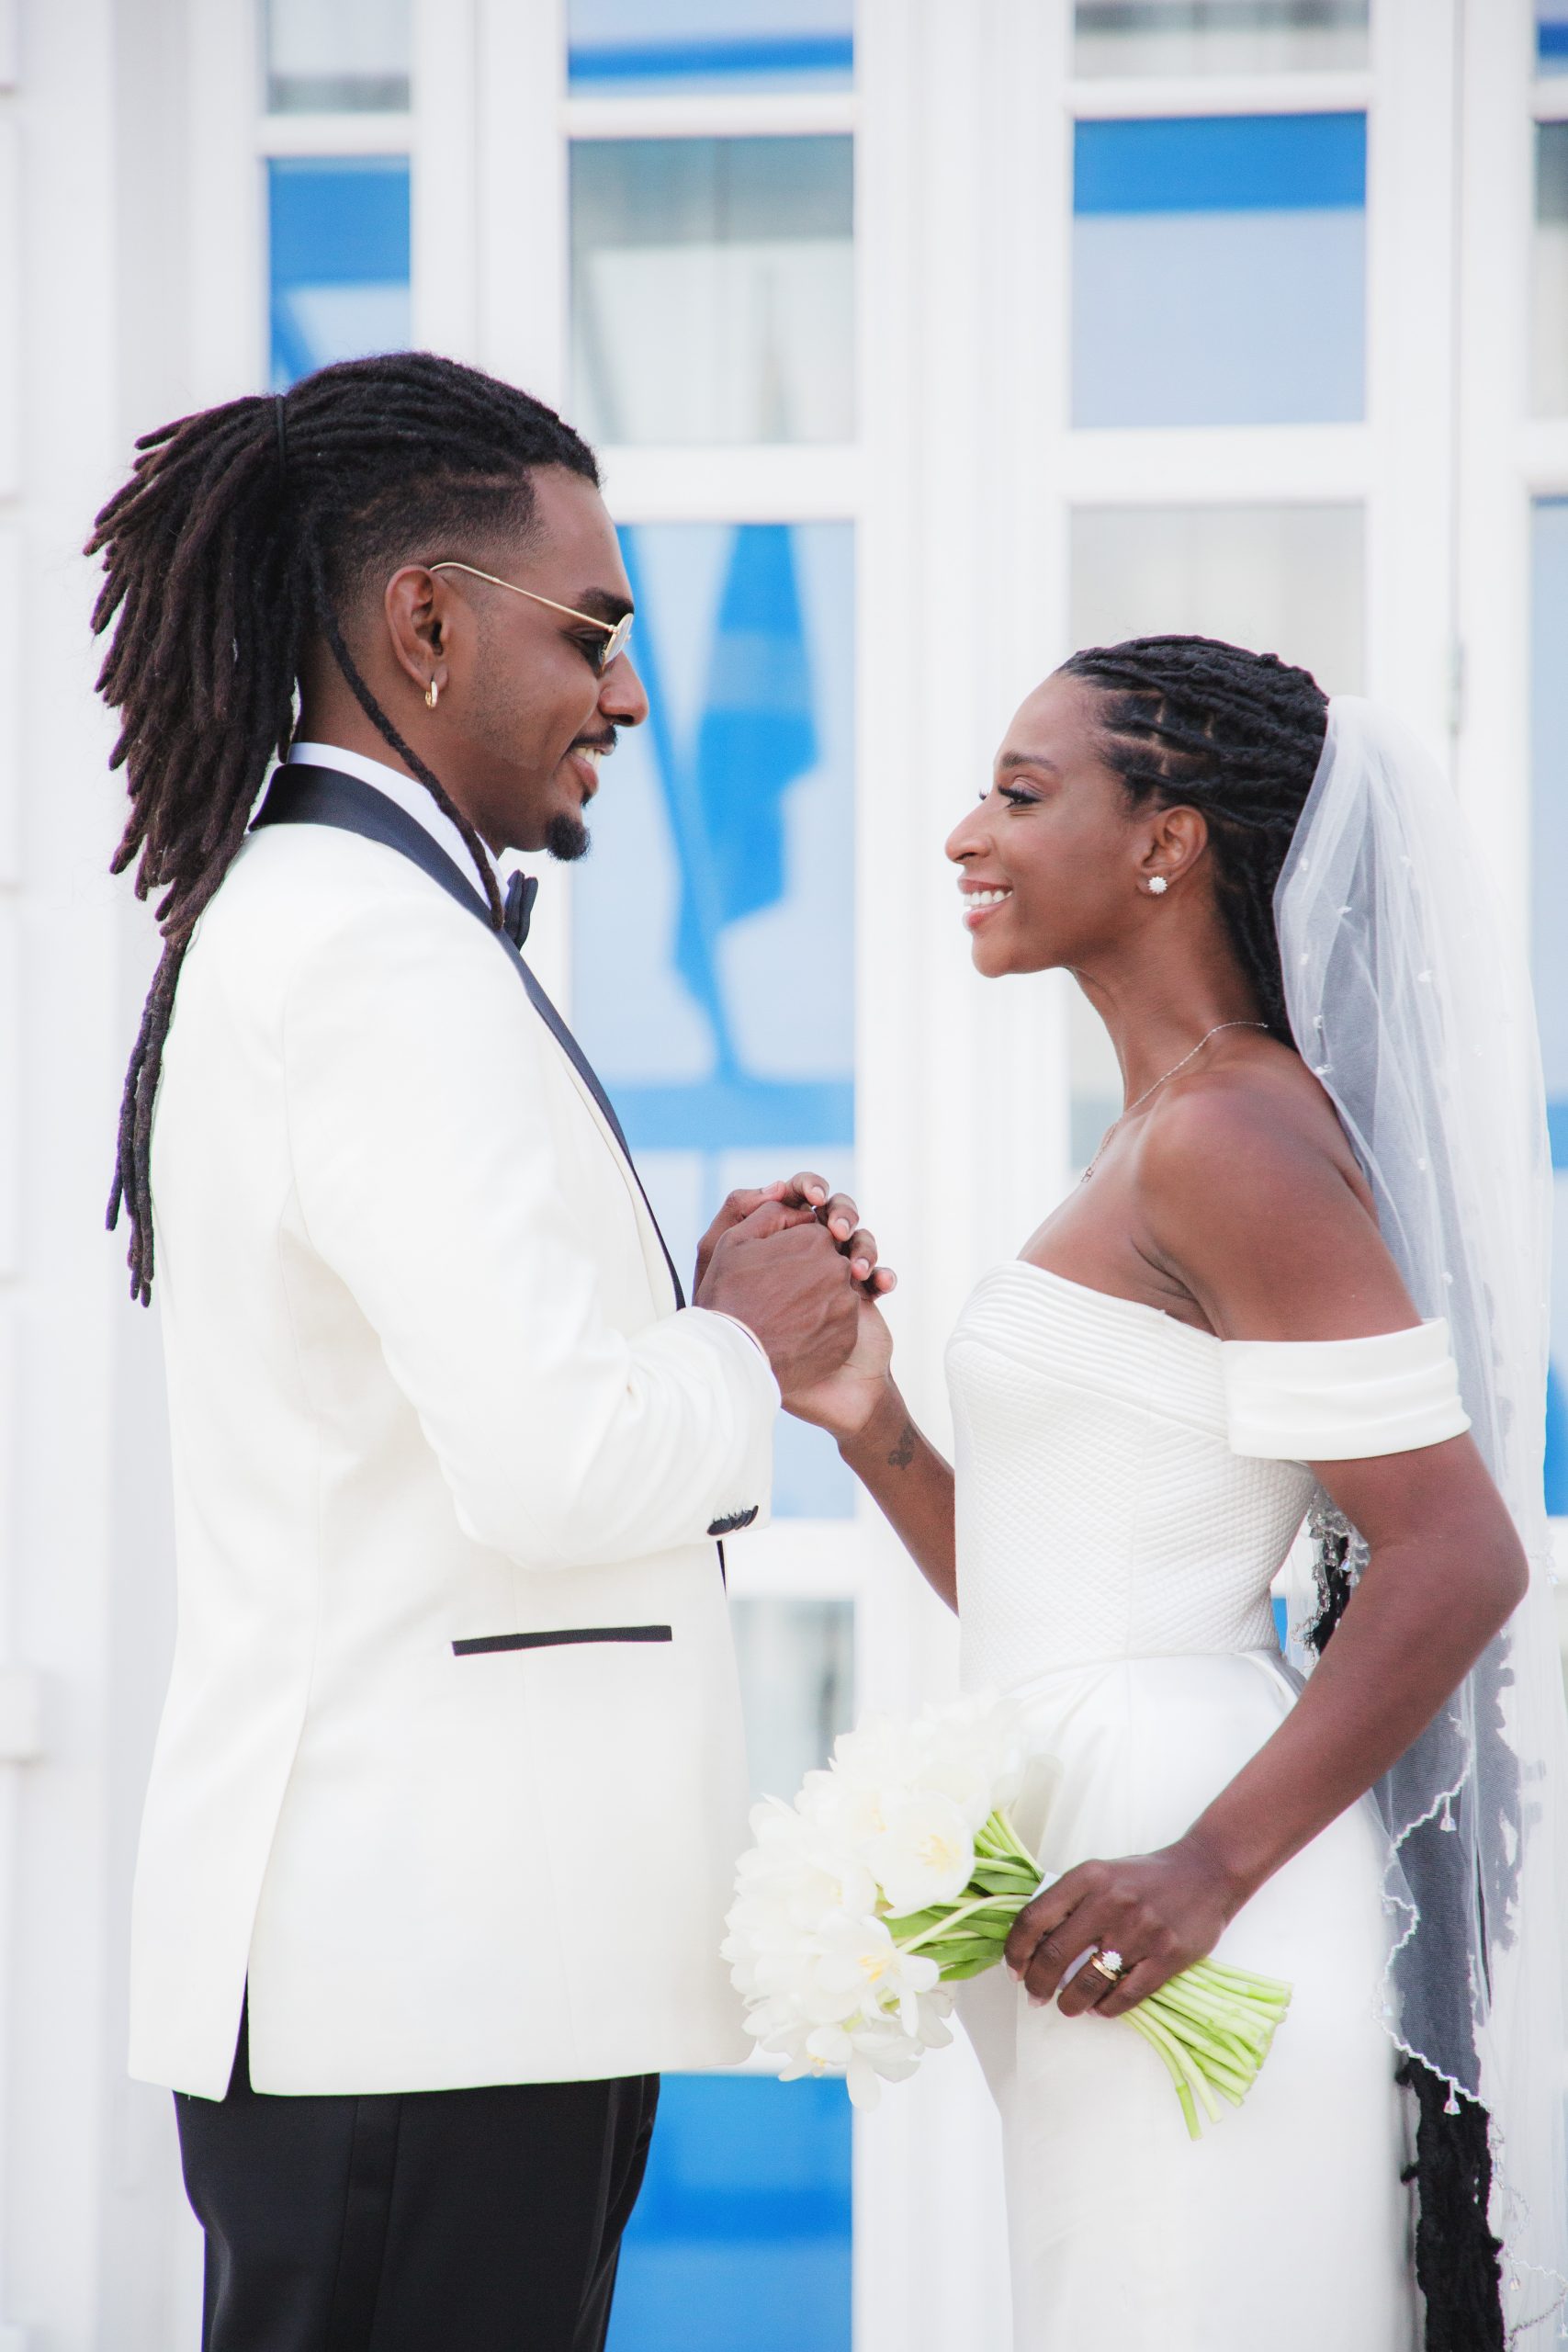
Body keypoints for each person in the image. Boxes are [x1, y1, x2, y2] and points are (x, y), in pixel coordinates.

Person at [85, 351, 892, 2352]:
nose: (626, 694)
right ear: (422, 624)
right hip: (421, 1984)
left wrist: (696, 1308)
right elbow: (545, 1461)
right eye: (593, 632)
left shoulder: (362, 923)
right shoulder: (366, 947)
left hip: (444, 1977)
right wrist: (739, 1345)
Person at [782, 637, 1568, 2348]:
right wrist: (872, 1421)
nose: (962, 835)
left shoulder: (1231, 1137)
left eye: (1020, 791)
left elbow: (1456, 1553)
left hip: (1195, 1866)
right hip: (1107, 1849)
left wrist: (1206, 1867)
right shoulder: (1157, 1132)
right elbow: (1059, 1578)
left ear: (1168, 840)